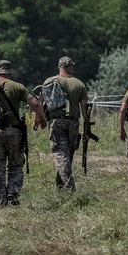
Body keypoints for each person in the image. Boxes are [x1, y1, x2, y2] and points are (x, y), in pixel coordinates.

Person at [0, 60, 45, 207]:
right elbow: (36, 104)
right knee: (15, 164)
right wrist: (42, 119)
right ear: (9, 72)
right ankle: (12, 191)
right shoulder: (18, 87)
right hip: (14, 131)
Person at [39, 56, 91, 192]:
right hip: (73, 123)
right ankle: (61, 189)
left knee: (61, 155)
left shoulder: (49, 81)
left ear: (59, 67)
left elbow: (40, 103)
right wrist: (86, 129)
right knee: (67, 155)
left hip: (56, 122)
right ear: (70, 67)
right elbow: (85, 112)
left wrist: (38, 120)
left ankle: (69, 189)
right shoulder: (79, 84)